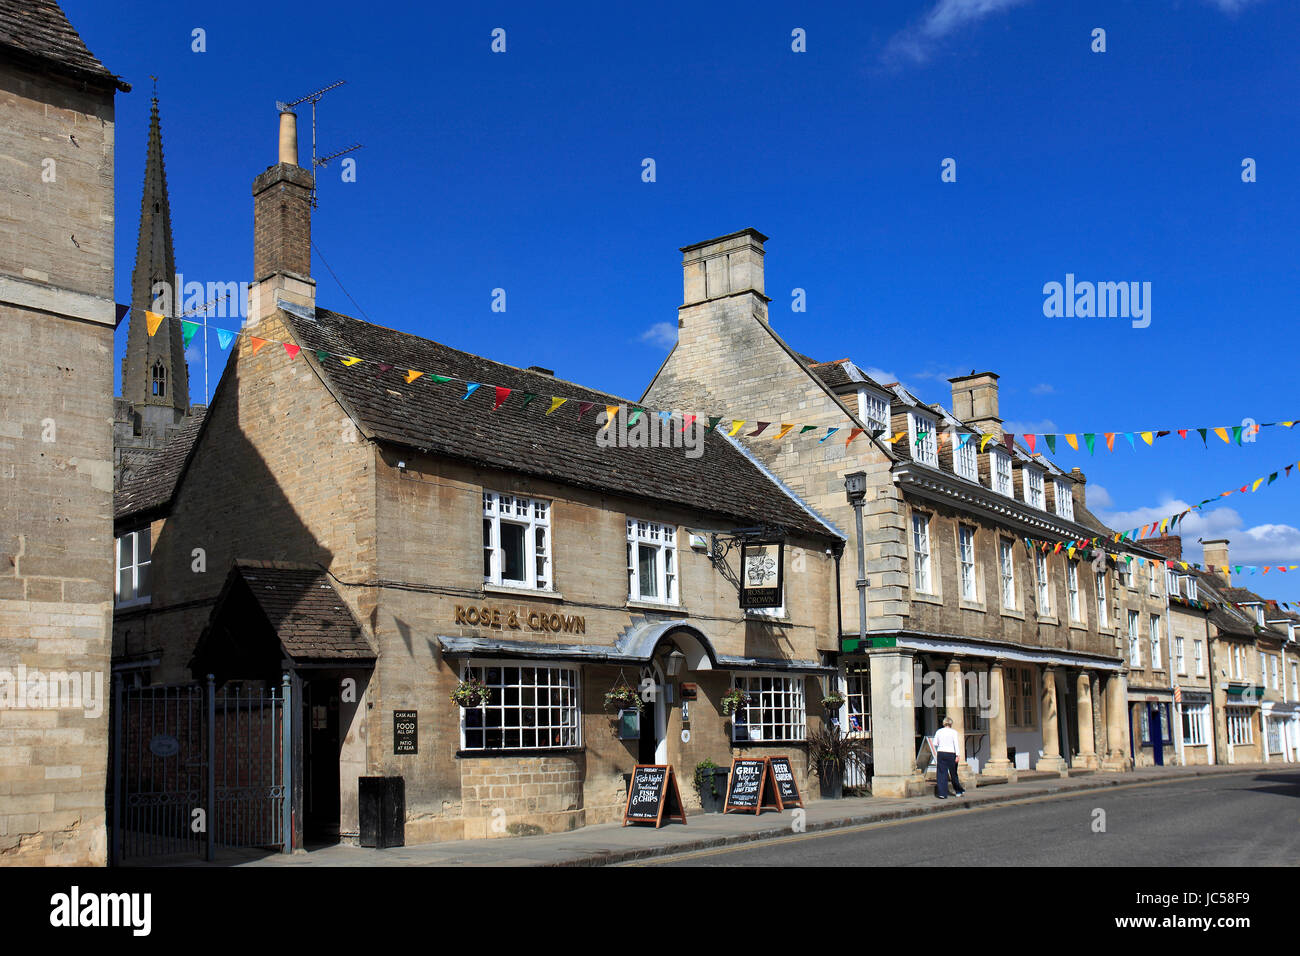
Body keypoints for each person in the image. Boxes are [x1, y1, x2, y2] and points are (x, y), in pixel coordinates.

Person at [934, 716, 965, 799]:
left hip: (941, 753)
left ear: (943, 723)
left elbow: (935, 743)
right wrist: (957, 755)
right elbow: (956, 744)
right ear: (951, 723)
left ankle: (942, 793)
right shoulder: (953, 732)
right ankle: (958, 791)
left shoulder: (939, 731)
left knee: (941, 773)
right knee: (953, 773)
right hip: (951, 753)